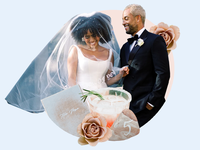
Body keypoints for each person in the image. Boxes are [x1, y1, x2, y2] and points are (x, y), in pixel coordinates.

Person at [5, 12, 128, 113]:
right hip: (82, 97)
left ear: (101, 34)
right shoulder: (75, 51)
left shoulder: (109, 53)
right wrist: (79, 100)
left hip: (103, 98)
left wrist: (120, 74)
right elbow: (71, 79)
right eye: (87, 36)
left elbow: (106, 80)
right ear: (81, 36)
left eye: (94, 35)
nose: (91, 39)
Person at [120, 4, 170, 127]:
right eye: (122, 19)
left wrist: (152, 102)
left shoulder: (155, 40)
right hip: (129, 109)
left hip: (148, 108)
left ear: (138, 18)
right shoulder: (124, 48)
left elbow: (162, 74)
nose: (122, 23)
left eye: (126, 18)